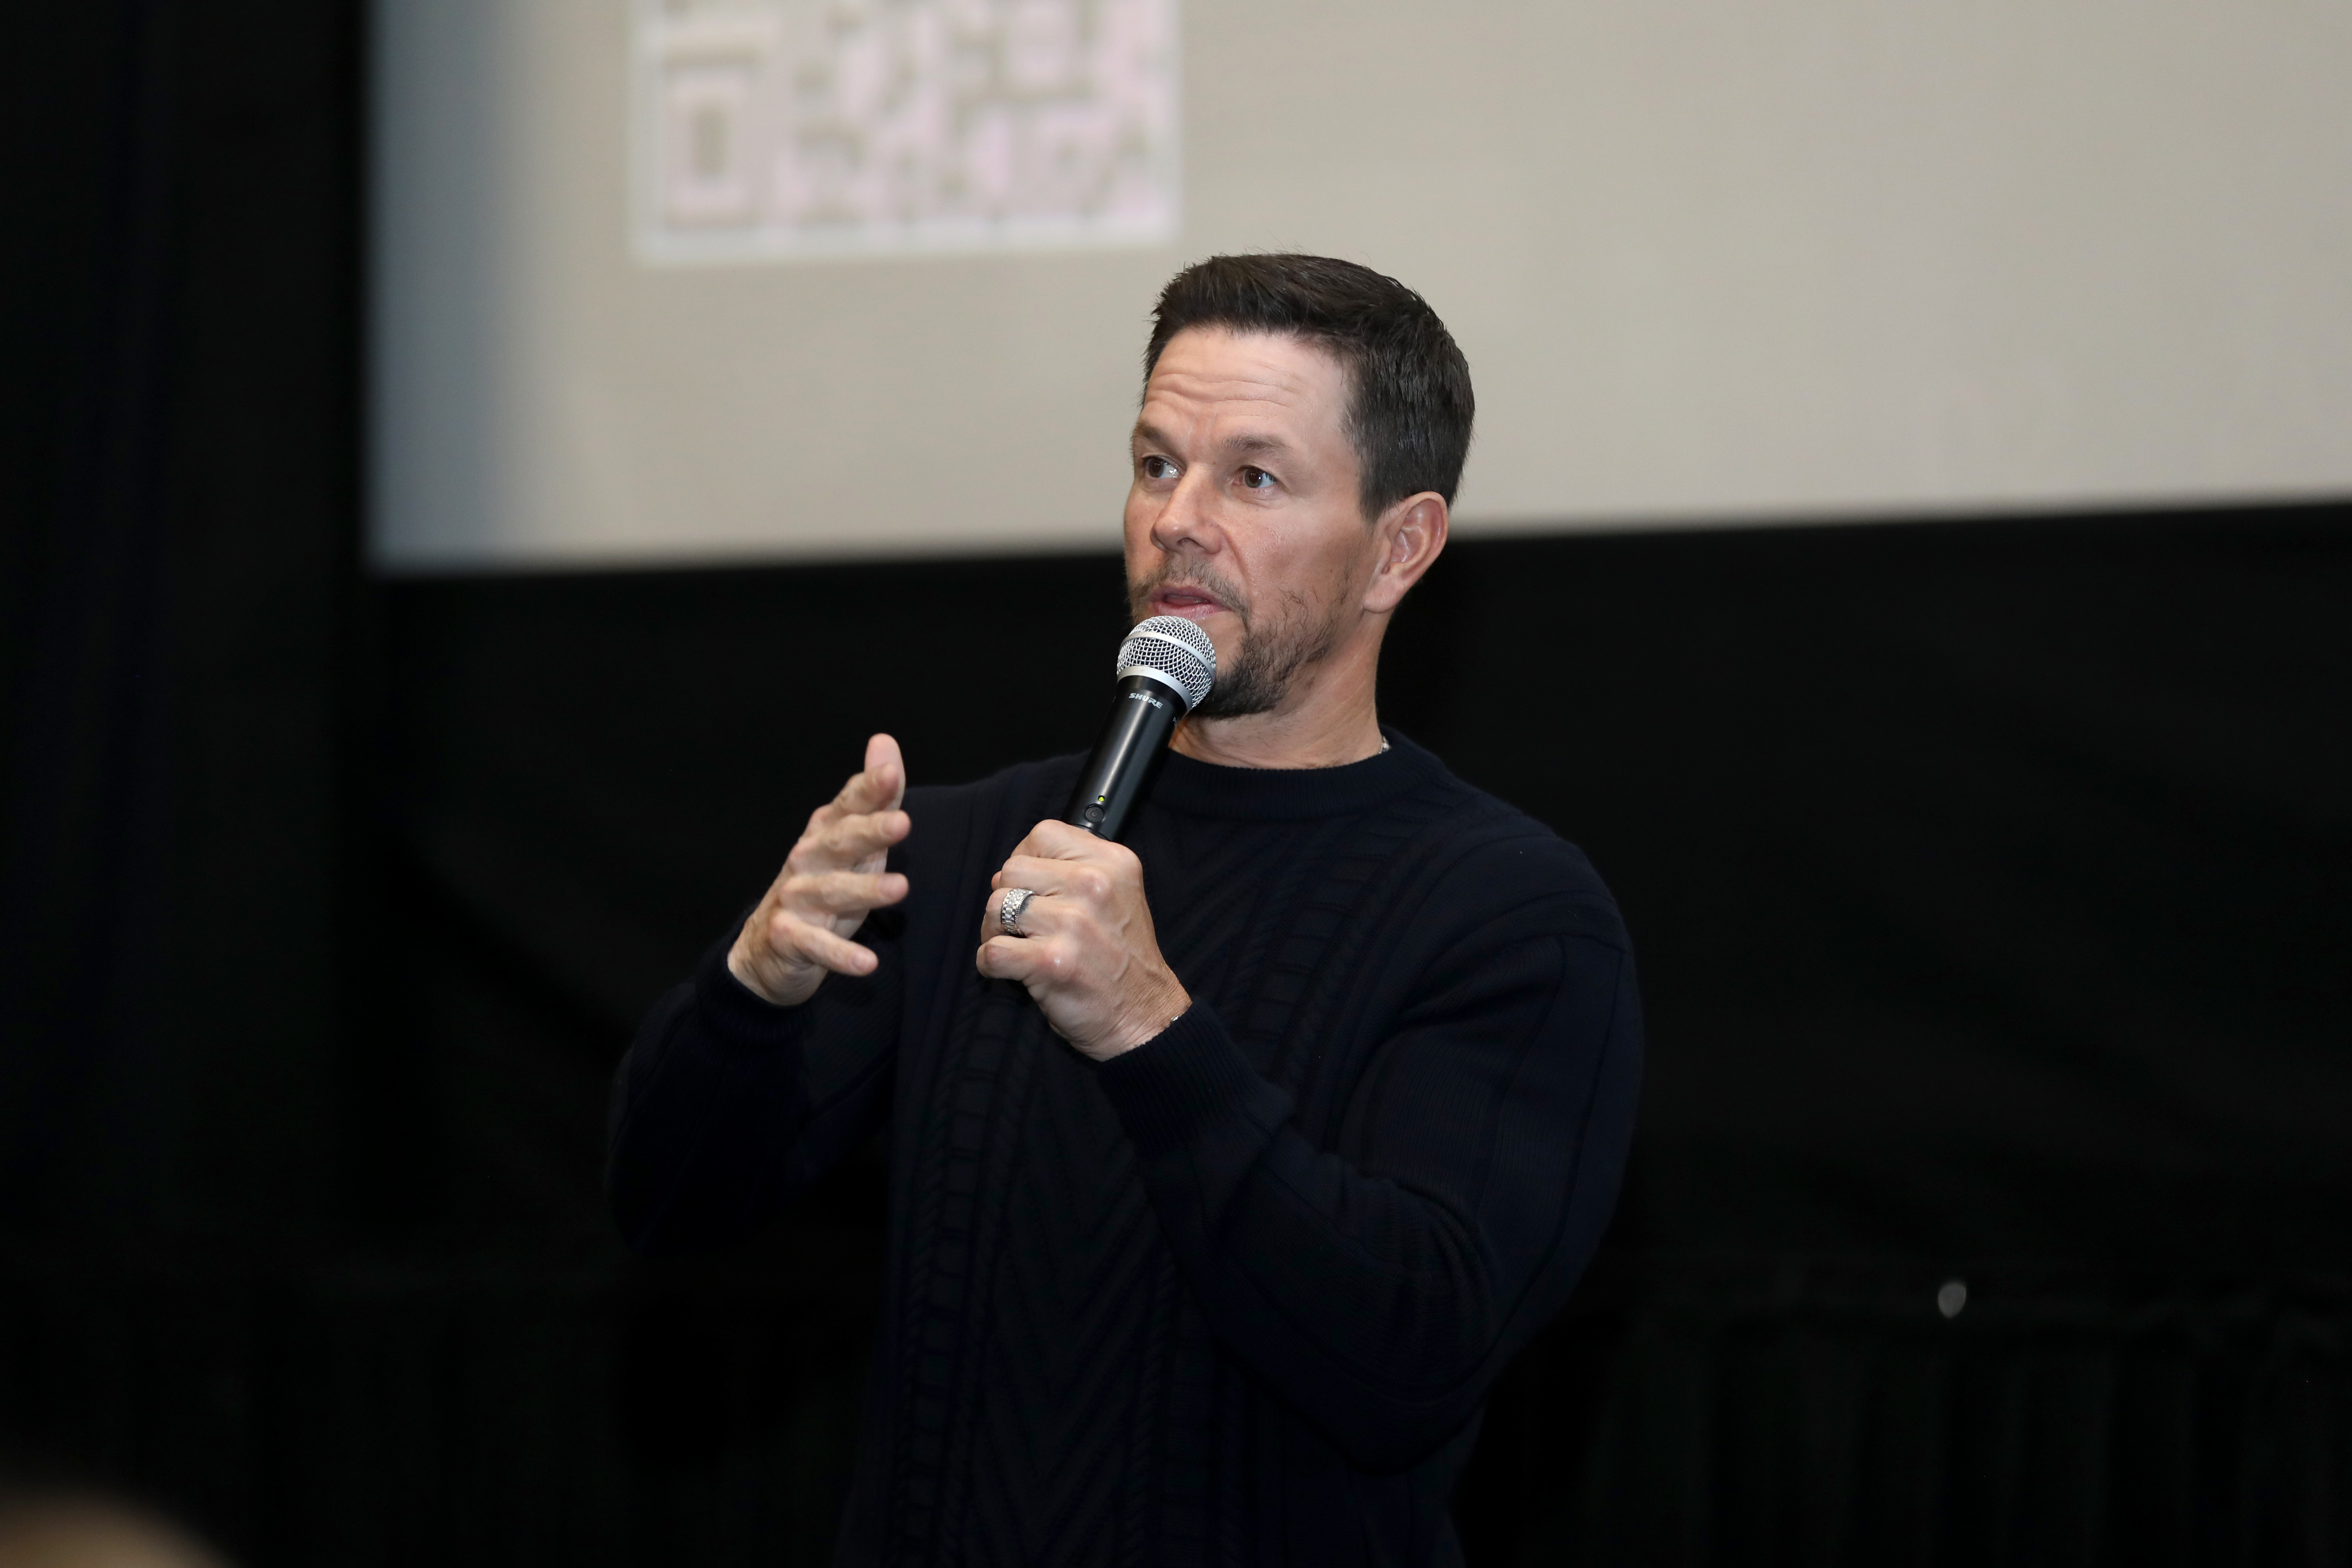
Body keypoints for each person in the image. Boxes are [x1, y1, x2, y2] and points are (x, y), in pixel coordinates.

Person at [608, 253, 1642, 1566]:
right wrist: (750, 992)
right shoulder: (972, 845)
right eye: (1157, 465)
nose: (1178, 521)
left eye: (1252, 478)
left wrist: (1153, 1031)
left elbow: (1408, 1360)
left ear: (1400, 547)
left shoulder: (1512, 918)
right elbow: (672, 1204)